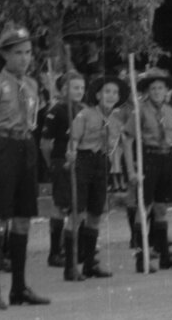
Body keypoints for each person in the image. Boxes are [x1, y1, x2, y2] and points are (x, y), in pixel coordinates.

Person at [0, 24, 49, 310]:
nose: (25, 58)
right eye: (18, 53)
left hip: (25, 146)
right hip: (2, 149)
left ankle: (19, 288)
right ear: (4, 55)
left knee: (23, 218)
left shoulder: (31, 85)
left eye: (28, 53)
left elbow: (33, 120)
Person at [63, 75, 128, 280]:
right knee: (76, 214)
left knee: (95, 215)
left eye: (115, 93)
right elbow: (73, 141)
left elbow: (113, 147)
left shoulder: (116, 120)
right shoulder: (84, 115)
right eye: (107, 92)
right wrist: (71, 155)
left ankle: (90, 264)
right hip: (83, 162)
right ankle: (70, 266)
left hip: (102, 164)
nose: (111, 96)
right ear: (98, 95)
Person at [126, 68, 172, 273]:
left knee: (162, 209)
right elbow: (127, 140)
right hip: (148, 157)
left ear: (167, 90)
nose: (157, 91)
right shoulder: (140, 110)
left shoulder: (171, 111)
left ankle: (164, 256)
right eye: (152, 88)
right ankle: (140, 257)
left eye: (160, 87)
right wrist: (131, 171)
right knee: (144, 208)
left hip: (166, 158)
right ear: (147, 91)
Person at [40, 71, 86, 271]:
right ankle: (54, 252)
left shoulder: (84, 110)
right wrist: (53, 163)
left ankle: (75, 248)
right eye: (75, 87)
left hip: (81, 162)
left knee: (78, 206)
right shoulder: (57, 110)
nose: (79, 91)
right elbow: (45, 143)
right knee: (61, 206)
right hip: (62, 161)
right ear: (64, 89)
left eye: (82, 88)